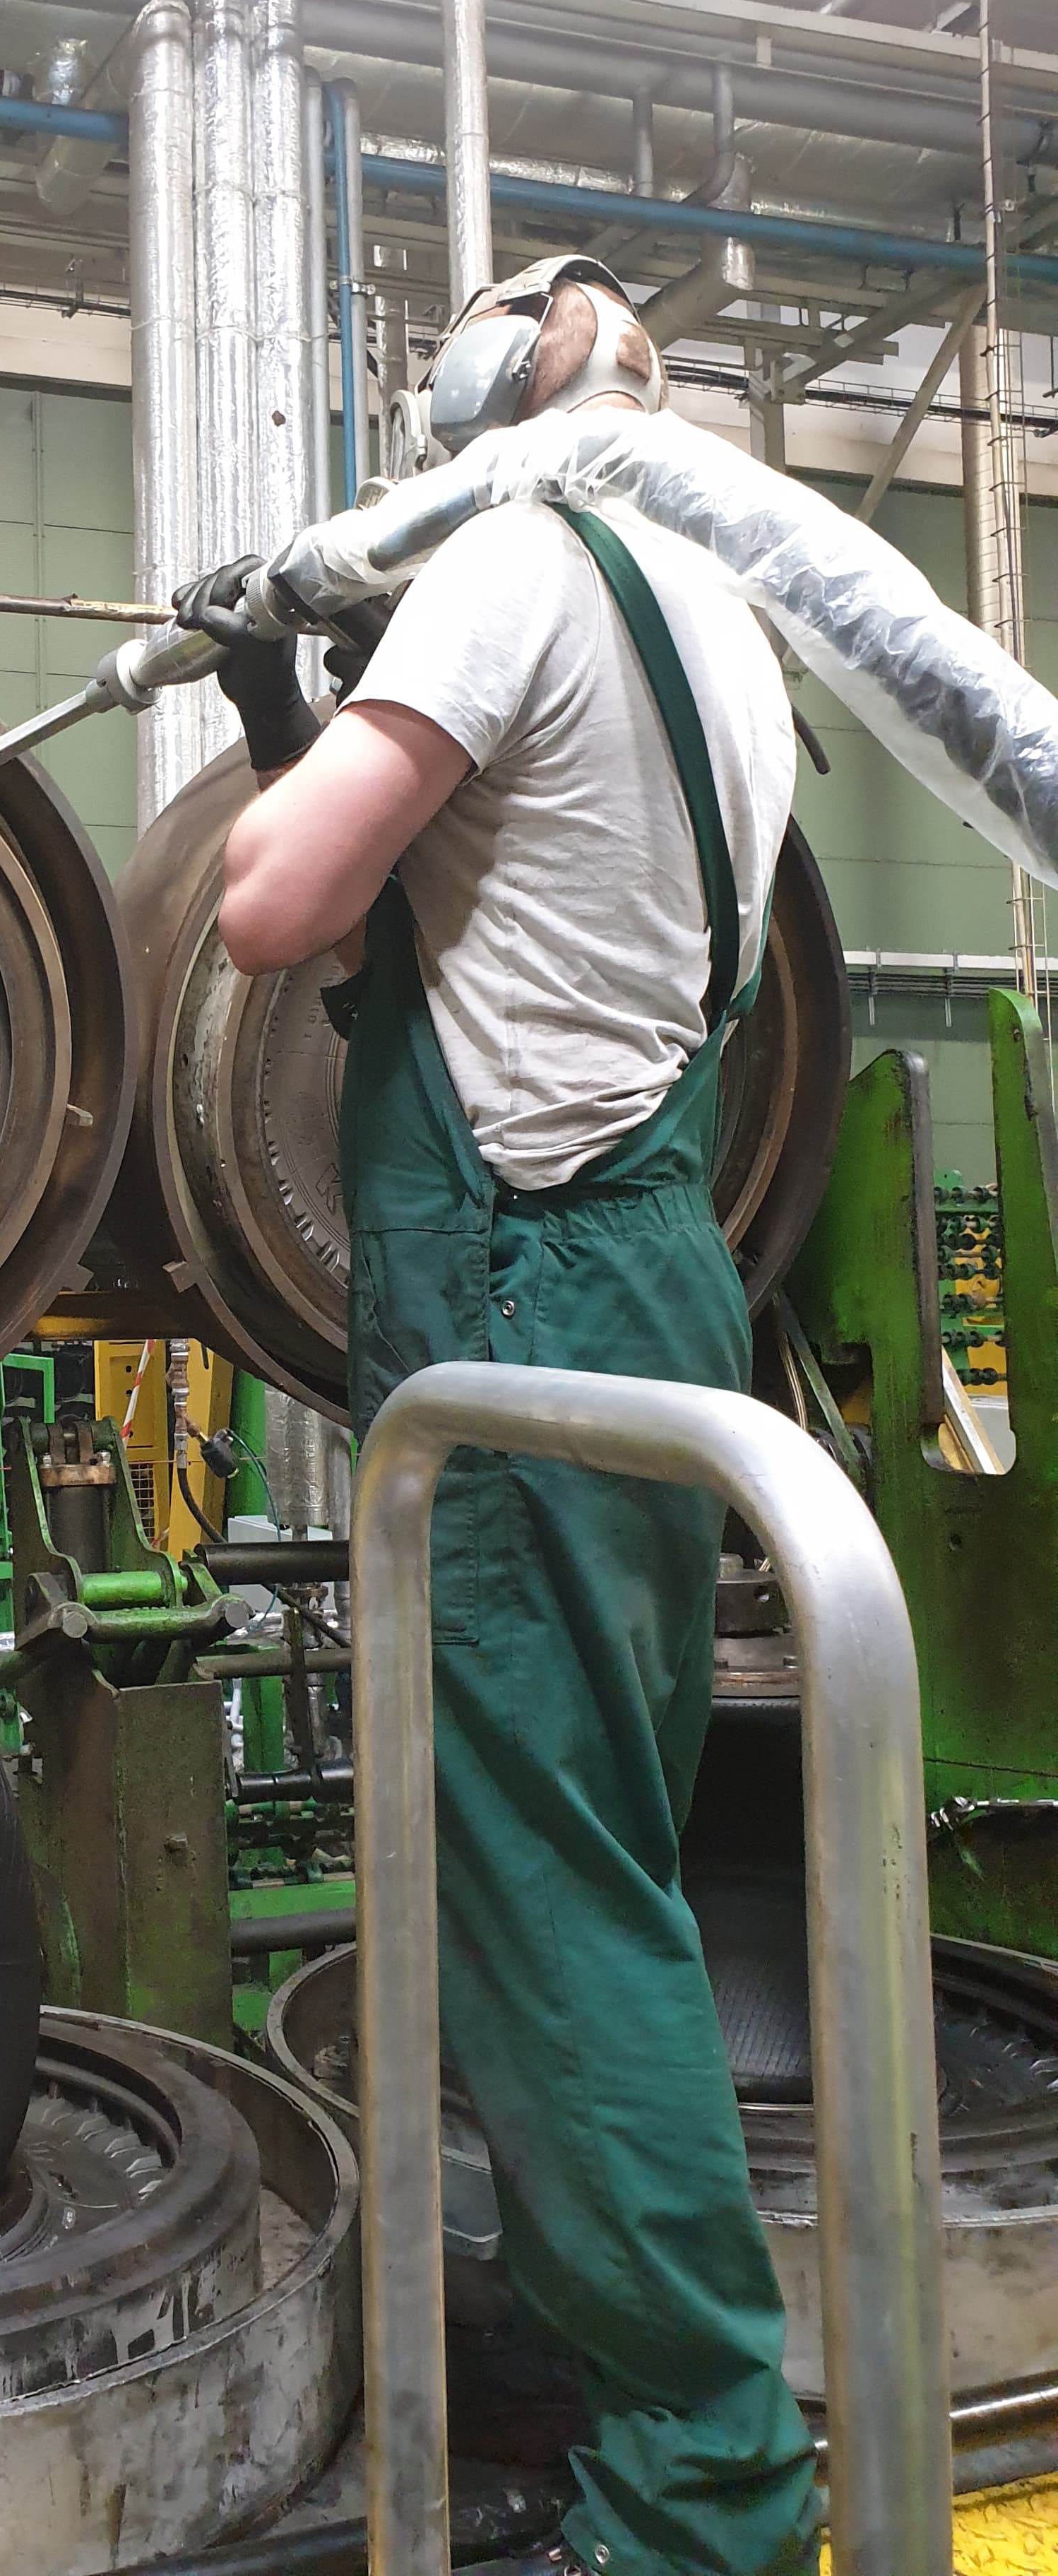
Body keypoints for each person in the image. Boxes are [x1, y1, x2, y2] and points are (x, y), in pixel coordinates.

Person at [179, 256, 820, 2576]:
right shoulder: (725, 616)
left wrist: (281, 705)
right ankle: (609, 2370)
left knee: (557, 1907)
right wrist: (292, 690)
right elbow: (457, 913)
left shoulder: (519, 559)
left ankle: (707, 2491)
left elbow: (272, 910)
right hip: (649, 1263)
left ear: (479, 404)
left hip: (517, 1291)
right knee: (589, 1864)